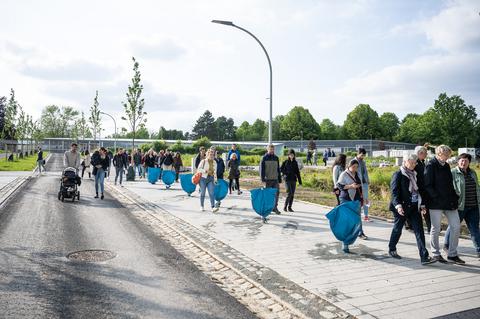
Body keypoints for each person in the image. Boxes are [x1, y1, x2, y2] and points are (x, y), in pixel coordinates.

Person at [388, 154, 436, 265]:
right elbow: (394, 193)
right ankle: (392, 249)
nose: (414, 165)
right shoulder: (398, 174)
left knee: (419, 231)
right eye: (412, 162)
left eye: (415, 163)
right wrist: (398, 206)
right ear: (405, 162)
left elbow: (420, 191)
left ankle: (424, 256)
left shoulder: (415, 174)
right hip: (402, 207)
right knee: (398, 229)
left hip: (414, 207)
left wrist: (423, 205)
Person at [425, 145, 464, 264]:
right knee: (435, 228)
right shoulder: (430, 165)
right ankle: (436, 254)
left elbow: (449, 184)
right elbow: (427, 185)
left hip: (449, 201)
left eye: (448, 155)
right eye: (445, 155)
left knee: (456, 226)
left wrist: (455, 197)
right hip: (435, 202)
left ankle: (452, 254)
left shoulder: (446, 165)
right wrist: (436, 197)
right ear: (438, 154)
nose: (447, 157)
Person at [445, 153, 480, 258]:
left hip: (473, 206)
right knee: (453, 227)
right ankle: (447, 246)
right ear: (458, 161)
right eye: (461, 160)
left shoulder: (473, 172)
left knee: (474, 228)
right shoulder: (452, 172)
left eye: (466, 161)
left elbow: (477, 188)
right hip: (459, 206)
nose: (463, 162)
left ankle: (479, 249)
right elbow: (449, 189)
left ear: (469, 162)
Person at [336, 158, 368, 253]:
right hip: (346, 199)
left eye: (357, 167)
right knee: (348, 221)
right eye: (353, 167)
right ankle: (345, 243)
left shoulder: (357, 174)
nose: (355, 169)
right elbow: (339, 186)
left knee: (357, 218)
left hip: (356, 199)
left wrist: (364, 198)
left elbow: (361, 186)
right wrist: (351, 186)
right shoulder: (344, 174)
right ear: (348, 166)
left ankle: (360, 233)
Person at [413, 146, 431, 233]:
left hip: (423, 188)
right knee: (421, 208)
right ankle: (428, 226)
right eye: (425, 153)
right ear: (420, 153)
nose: (426, 155)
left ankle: (429, 226)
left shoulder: (422, 162)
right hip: (418, 189)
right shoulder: (415, 163)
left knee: (425, 208)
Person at [260, 144, 282, 214]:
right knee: (267, 195)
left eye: (273, 149)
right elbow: (261, 170)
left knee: (276, 194)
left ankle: (275, 208)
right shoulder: (264, 158)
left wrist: (280, 179)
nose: (272, 151)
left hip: (275, 179)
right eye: (270, 149)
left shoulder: (276, 158)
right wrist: (263, 180)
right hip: (267, 180)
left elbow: (278, 169)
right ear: (267, 149)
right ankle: (267, 208)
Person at [356, 148, 371, 222]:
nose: (362, 157)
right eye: (362, 155)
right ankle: (357, 215)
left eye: (364, 155)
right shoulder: (353, 161)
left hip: (364, 183)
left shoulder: (363, 162)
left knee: (366, 199)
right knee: (357, 200)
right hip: (357, 184)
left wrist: (367, 180)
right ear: (358, 154)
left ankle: (366, 215)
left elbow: (365, 172)